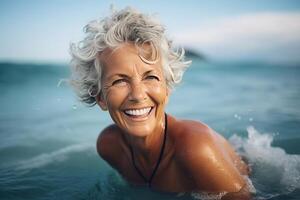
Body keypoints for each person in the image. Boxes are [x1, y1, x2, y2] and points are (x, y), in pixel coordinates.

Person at [70, 7, 252, 199]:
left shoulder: (197, 150)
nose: (138, 95)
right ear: (100, 98)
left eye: (150, 77)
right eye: (119, 81)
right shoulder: (109, 147)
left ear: (167, 88)